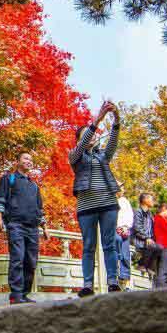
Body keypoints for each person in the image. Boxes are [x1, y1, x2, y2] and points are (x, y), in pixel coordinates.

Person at [68, 100, 122, 297]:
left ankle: (113, 281)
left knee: (109, 244)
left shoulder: (102, 156)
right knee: (89, 246)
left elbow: (113, 142)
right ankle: (88, 284)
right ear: (80, 140)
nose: (92, 137)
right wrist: (98, 119)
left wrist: (116, 119)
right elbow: (83, 144)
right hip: (86, 207)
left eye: (93, 135)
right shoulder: (75, 156)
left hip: (108, 204)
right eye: (87, 135)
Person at [0, 151, 48, 304]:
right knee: (17, 258)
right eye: (25, 158)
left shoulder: (34, 186)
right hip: (15, 224)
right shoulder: (9, 178)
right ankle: (16, 295)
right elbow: (0, 199)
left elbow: (39, 209)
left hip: (33, 228)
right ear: (17, 161)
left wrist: (44, 227)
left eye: (31, 160)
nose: (29, 161)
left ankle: (24, 293)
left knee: (31, 262)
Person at [130, 192, 159, 278]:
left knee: (161, 247)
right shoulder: (138, 212)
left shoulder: (150, 215)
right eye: (151, 199)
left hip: (148, 240)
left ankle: (149, 267)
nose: (153, 201)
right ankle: (142, 265)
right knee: (153, 246)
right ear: (145, 200)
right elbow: (137, 227)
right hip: (139, 239)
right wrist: (146, 238)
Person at [115, 185, 133, 289]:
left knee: (126, 255)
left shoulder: (125, 201)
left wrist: (126, 227)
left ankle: (125, 277)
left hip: (125, 229)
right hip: (114, 229)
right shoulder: (111, 200)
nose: (123, 190)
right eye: (121, 188)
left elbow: (130, 216)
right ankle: (115, 273)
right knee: (116, 250)